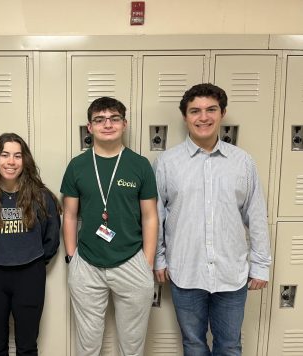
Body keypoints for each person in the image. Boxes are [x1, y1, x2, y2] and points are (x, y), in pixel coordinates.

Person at [153, 83, 272, 356]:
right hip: (185, 271)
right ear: (185, 116)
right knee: (193, 345)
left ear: (223, 113)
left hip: (232, 274)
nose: (203, 117)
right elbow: (157, 216)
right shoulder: (166, 163)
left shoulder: (243, 162)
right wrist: (159, 258)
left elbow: (255, 214)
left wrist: (261, 265)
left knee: (230, 346)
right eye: (195, 111)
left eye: (211, 110)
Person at [61, 97, 158, 356]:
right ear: (89, 127)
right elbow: (69, 215)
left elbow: (150, 216)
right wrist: (72, 257)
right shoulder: (77, 166)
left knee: (132, 344)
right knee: (88, 344)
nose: (108, 124)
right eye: (100, 119)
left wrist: (146, 262)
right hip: (87, 264)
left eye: (114, 118)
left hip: (132, 262)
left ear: (124, 124)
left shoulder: (140, 165)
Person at [0, 132, 61, 356]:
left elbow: (51, 239)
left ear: (25, 160)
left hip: (30, 275)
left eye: (17, 155)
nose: (11, 161)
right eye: (5, 155)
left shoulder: (42, 197)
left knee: (27, 347)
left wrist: (33, 258)